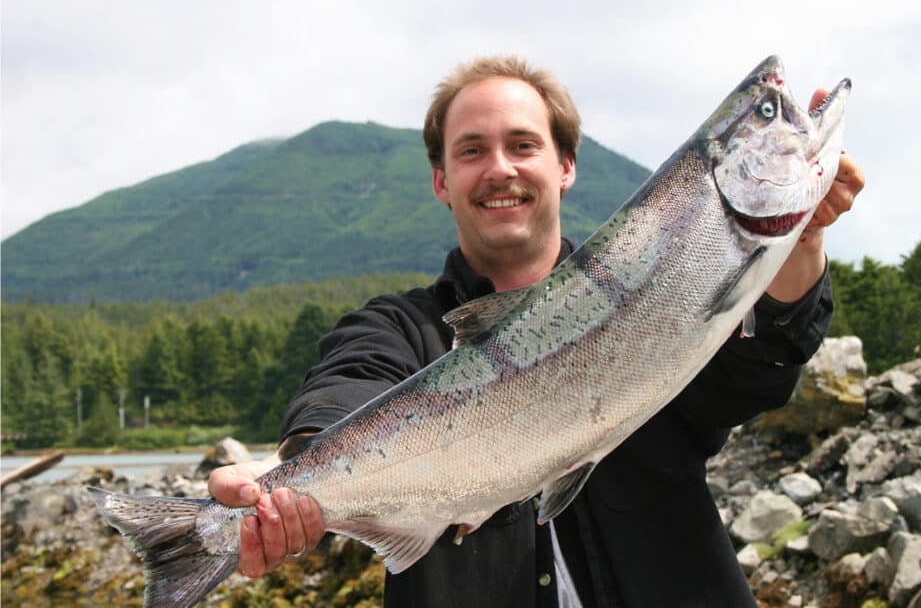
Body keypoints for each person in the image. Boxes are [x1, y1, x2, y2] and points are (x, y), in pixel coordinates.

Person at [210, 55, 864, 607]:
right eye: (472, 151)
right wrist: (288, 482)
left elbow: (759, 371)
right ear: (442, 180)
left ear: (566, 166)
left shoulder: (657, 290)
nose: (500, 169)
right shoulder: (398, 327)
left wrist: (802, 242)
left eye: (523, 145)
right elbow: (345, 387)